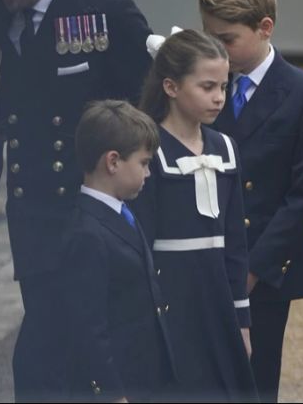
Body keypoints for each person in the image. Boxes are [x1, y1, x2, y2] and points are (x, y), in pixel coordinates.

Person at [0, 0, 153, 401]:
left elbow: (145, 114)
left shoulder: (106, 14)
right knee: (46, 341)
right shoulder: (0, 18)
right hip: (33, 217)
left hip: (92, 217)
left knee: (89, 344)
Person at [199, 0, 303, 403]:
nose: (217, 49)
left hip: (264, 267)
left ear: (264, 28)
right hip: (202, 256)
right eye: (209, 37)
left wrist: (253, 269)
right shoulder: (200, 89)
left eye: (228, 39)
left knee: (254, 383)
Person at [133, 30, 258, 402]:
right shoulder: (148, 152)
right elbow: (139, 243)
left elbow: (235, 244)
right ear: (171, 87)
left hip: (217, 304)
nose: (219, 96)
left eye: (223, 85)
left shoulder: (226, 149)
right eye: (207, 86)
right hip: (170, 307)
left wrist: (242, 321)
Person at [62, 100, 175, 402]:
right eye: (143, 163)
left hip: (143, 378)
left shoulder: (121, 212)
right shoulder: (87, 233)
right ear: (113, 162)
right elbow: (89, 327)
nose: (148, 173)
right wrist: (111, 393)